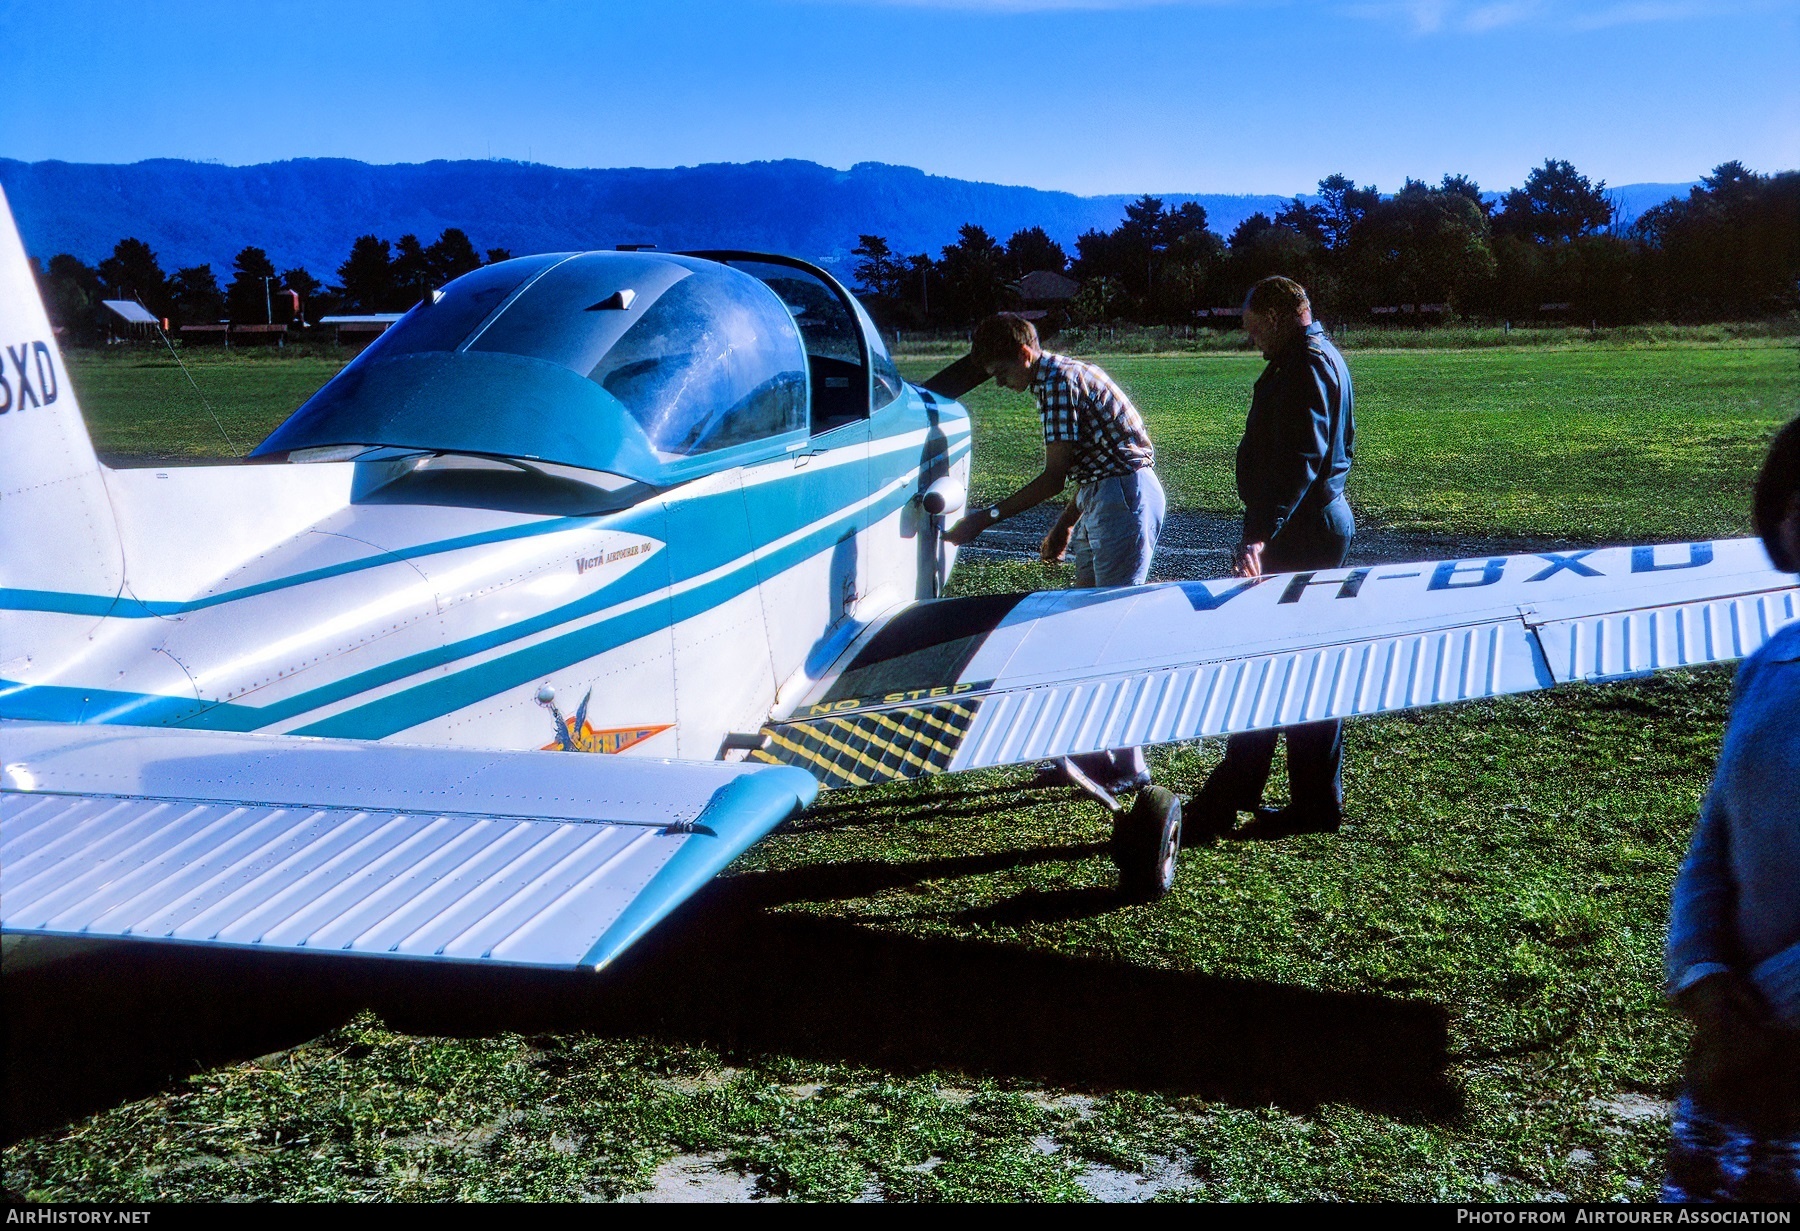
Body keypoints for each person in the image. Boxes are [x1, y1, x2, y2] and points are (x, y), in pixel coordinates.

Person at [1662, 416, 1800, 1202]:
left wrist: (1766, 1015)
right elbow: (1713, 840)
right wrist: (1705, 974)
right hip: (1738, 1057)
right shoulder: (1770, 663)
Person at [943, 312, 1165, 793]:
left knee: (1110, 633)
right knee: (1086, 632)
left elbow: (1055, 474)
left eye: (1002, 373)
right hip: (1103, 495)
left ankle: (1130, 765)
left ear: (1024, 354)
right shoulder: (1058, 377)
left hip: (1121, 497)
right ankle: (1090, 754)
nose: (1001, 385)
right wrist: (1066, 525)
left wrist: (987, 517)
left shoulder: (1058, 382)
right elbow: (1090, 464)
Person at [1187, 276, 1356, 840]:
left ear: (1280, 317)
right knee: (1287, 658)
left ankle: (1264, 795)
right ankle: (1274, 792)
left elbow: (1302, 460)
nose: (1252, 340)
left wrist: (1260, 533)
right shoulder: (1317, 356)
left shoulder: (1307, 364)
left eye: (1255, 328)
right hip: (1307, 525)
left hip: (1300, 531)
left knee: (1276, 657)